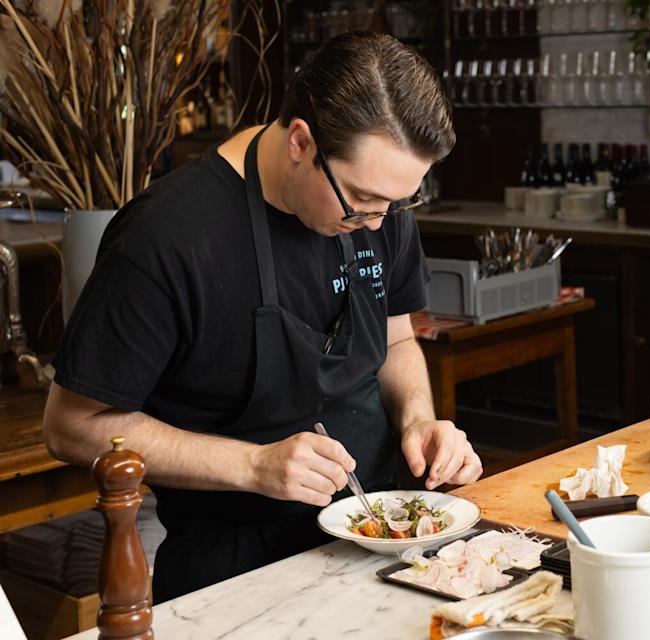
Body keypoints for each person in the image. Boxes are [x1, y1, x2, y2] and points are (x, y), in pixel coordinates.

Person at [42, 32, 482, 603]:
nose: (379, 223)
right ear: (301, 141)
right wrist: (252, 466)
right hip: (230, 574)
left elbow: (396, 339)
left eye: (396, 205)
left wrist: (418, 421)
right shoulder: (165, 239)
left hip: (376, 548)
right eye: (361, 202)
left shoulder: (380, 204)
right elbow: (70, 427)